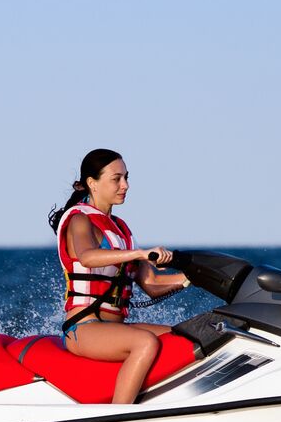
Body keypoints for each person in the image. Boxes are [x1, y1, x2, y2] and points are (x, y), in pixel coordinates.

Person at [48, 148, 188, 404]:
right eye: (116, 179)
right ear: (92, 183)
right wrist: (138, 254)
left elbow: (152, 285)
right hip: (84, 328)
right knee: (145, 342)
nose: (125, 185)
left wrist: (192, 277)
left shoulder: (122, 229)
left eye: (126, 178)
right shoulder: (80, 220)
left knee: (180, 337)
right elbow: (88, 256)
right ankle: (118, 416)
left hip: (114, 328)